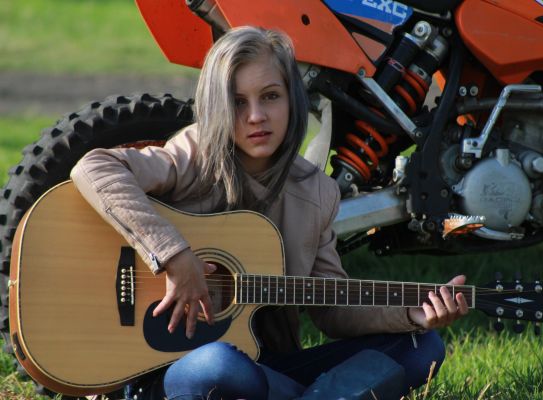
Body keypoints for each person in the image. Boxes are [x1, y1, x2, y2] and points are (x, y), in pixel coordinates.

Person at [71, 26, 468, 400]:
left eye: (271, 96)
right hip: (170, 365)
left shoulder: (317, 192)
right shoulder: (194, 156)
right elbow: (94, 168)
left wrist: (410, 314)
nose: (256, 116)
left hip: (268, 366)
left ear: (293, 99)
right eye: (237, 102)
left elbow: (333, 310)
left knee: (421, 347)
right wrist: (175, 256)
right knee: (220, 366)